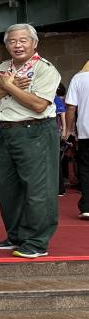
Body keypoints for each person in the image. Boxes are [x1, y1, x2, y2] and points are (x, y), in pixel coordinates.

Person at [0, 24, 62, 258]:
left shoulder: (44, 69)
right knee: (8, 189)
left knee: (38, 189)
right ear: (6, 45)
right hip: (6, 131)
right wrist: (11, 87)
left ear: (34, 43)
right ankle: (15, 235)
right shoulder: (3, 67)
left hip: (35, 130)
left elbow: (38, 104)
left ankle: (37, 241)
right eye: (12, 41)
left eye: (23, 40)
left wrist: (7, 86)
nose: (18, 45)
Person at [64, 58, 89, 219]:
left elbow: (71, 107)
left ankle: (87, 206)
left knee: (85, 168)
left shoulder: (79, 78)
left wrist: (69, 129)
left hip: (86, 130)